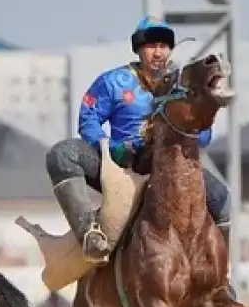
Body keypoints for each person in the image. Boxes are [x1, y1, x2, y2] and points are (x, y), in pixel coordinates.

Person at [44, 17, 233, 265]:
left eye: (164, 46)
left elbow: (205, 135)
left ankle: (219, 275)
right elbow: (88, 118)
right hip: (122, 166)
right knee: (62, 154)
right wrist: (111, 148)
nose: (158, 52)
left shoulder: (184, 84)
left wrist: (195, 131)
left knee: (222, 198)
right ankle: (89, 235)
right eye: (151, 46)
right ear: (138, 49)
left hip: (172, 169)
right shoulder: (113, 82)